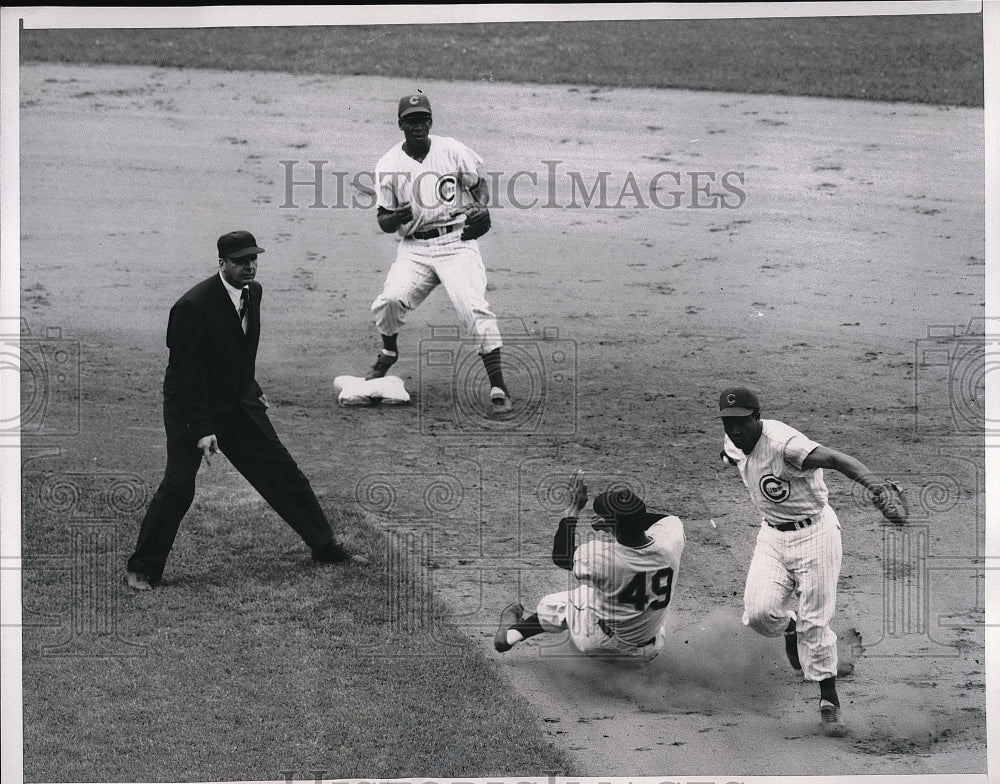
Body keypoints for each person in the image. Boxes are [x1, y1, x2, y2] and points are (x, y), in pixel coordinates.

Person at [125, 230, 364, 591]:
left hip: (236, 404)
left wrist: (251, 389)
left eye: (253, 259)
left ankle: (325, 547)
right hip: (189, 407)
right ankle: (142, 567)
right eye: (240, 261)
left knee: (284, 473)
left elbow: (240, 350)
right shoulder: (193, 306)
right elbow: (186, 376)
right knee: (179, 486)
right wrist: (203, 429)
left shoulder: (253, 293)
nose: (249, 266)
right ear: (222, 263)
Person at [716, 386, 905, 737]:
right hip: (772, 535)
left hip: (816, 534)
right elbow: (731, 454)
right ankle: (790, 628)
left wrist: (877, 488)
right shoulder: (733, 441)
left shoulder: (785, 445)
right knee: (759, 614)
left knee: (815, 623)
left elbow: (836, 459)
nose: (735, 429)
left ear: (757, 417)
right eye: (729, 423)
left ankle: (829, 702)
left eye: (742, 422)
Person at [364, 93, 512, 415]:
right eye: (411, 121)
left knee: (473, 308)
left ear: (430, 122)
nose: (417, 126)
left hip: (457, 241)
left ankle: (498, 384)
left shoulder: (452, 150)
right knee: (389, 301)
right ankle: (389, 352)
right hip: (415, 248)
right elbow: (383, 220)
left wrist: (481, 205)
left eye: (423, 120)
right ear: (401, 124)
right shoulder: (387, 165)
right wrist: (396, 217)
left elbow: (478, 185)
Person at [494, 471, 685, 661]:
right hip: (649, 650)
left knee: (562, 602)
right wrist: (620, 522)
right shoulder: (671, 541)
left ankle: (510, 636)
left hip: (602, 644)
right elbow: (663, 520)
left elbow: (561, 556)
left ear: (612, 524)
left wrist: (571, 511)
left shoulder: (604, 558)